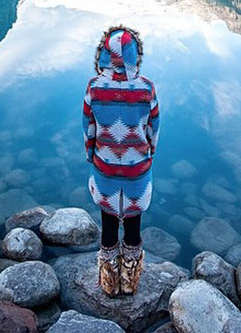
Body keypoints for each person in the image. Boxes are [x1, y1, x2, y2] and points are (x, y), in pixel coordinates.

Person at [82, 25, 160, 297]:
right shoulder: (147, 88)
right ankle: (130, 282)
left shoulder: (94, 88)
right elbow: (153, 132)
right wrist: (147, 154)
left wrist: (92, 155)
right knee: (134, 228)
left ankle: (108, 284)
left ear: (104, 54)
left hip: (105, 172)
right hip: (137, 172)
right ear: (134, 56)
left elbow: (89, 131)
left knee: (108, 227)